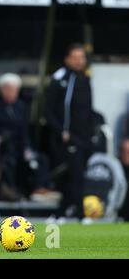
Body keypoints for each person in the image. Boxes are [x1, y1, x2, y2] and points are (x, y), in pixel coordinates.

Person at [0, 73, 60, 202]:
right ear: (3, 89)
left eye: (15, 90)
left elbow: (24, 131)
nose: (13, 93)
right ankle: (8, 190)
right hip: (0, 145)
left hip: (19, 145)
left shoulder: (21, 107)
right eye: (10, 89)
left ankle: (39, 188)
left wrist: (27, 148)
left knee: (41, 159)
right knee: (8, 159)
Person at [45, 43, 95, 218]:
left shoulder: (85, 79)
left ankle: (59, 213)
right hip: (68, 137)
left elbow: (88, 110)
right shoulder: (60, 79)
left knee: (73, 176)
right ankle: (80, 214)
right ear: (67, 59)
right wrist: (62, 132)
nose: (79, 61)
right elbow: (48, 111)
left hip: (85, 137)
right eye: (75, 57)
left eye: (82, 57)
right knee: (76, 175)